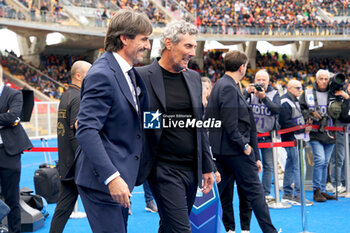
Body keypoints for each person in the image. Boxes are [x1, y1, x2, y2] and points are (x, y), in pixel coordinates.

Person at [73, 9, 152, 233]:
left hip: (121, 178)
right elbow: (87, 130)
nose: (147, 45)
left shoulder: (129, 73)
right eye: (143, 39)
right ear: (124, 38)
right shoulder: (102, 74)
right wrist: (112, 178)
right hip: (102, 182)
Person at [136, 20, 214, 233]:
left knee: (169, 226)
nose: (192, 52)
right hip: (163, 169)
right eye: (188, 46)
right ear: (169, 44)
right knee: (182, 229)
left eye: (194, 47)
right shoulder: (142, 76)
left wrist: (207, 166)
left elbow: (200, 127)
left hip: (191, 168)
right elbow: (139, 123)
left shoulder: (193, 78)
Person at [205, 50, 277, 233]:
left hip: (223, 151)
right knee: (256, 193)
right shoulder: (228, 87)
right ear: (241, 67)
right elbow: (230, 124)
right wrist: (245, 146)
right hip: (234, 150)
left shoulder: (223, 84)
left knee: (214, 196)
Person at [49, 60, 91, 233]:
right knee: (103, 208)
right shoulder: (79, 97)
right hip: (78, 166)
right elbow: (77, 133)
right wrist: (86, 161)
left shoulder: (66, 96)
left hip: (67, 164)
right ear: (79, 75)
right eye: (90, 72)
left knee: (62, 210)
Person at [0, 65, 33, 233]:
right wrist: (4, 118)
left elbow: (12, 116)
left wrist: (9, 118)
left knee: (12, 198)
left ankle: (14, 231)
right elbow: (8, 118)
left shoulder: (14, 94)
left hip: (9, 152)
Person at [300, 69, 340, 202]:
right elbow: (301, 108)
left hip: (330, 132)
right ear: (316, 80)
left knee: (325, 163)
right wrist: (310, 114)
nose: (323, 81)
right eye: (321, 78)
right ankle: (316, 190)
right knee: (320, 160)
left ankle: (322, 189)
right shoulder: (307, 93)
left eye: (326, 79)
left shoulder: (334, 94)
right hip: (315, 133)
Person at [244, 69, 281, 201]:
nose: (260, 82)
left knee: (269, 165)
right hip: (250, 136)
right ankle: (251, 192)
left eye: (263, 80)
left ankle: (265, 193)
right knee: (250, 165)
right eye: (258, 80)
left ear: (268, 81)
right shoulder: (249, 92)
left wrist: (264, 98)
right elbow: (239, 105)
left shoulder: (274, 93)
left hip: (267, 135)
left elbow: (277, 109)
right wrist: (245, 93)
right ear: (254, 81)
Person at [279, 80, 313, 206]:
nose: (300, 90)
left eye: (301, 87)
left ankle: (287, 193)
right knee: (298, 166)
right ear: (290, 88)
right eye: (298, 88)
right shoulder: (285, 102)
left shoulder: (294, 100)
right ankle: (298, 195)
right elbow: (286, 123)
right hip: (291, 138)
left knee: (291, 164)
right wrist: (302, 128)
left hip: (296, 138)